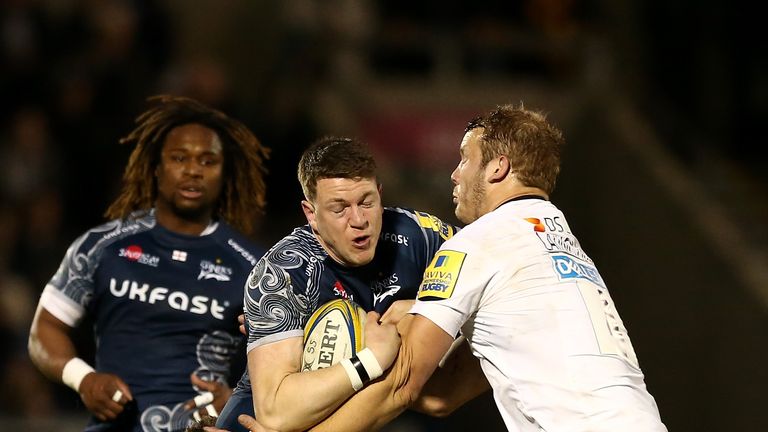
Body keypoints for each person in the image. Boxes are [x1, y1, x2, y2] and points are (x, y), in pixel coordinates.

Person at [250, 104, 668, 432]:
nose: (454, 174)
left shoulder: (478, 242)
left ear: (498, 167)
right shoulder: (563, 248)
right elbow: (440, 397)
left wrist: (369, 357)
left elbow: (400, 387)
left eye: (465, 159)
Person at [28, 95, 270, 432]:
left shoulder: (256, 267)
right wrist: (84, 379)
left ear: (224, 173)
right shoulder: (103, 247)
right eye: (179, 157)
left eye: (207, 160)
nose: (192, 170)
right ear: (157, 168)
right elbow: (44, 328)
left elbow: (284, 366)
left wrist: (237, 400)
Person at [212, 136, 458, 432]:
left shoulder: (417, 235)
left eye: (367, 202)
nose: (358, 219)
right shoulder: (284, 271)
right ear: (311, 214)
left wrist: (423, 310)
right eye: (339, 208)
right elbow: (277, 413)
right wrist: (370, 360)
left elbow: (498, 274)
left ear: (381, 195)